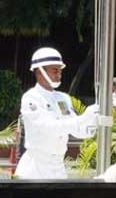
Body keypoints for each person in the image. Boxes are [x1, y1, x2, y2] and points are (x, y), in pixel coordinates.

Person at [15, 47, 98, 179]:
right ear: (39, 71)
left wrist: (93, 120)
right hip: (36, 167)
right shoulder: (31, 98)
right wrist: (83, 118)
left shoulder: (62, 98)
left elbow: (77, 130)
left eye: (60, 70)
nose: (59, 73)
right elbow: (48, 127)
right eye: (55, 70)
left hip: (58, 167)